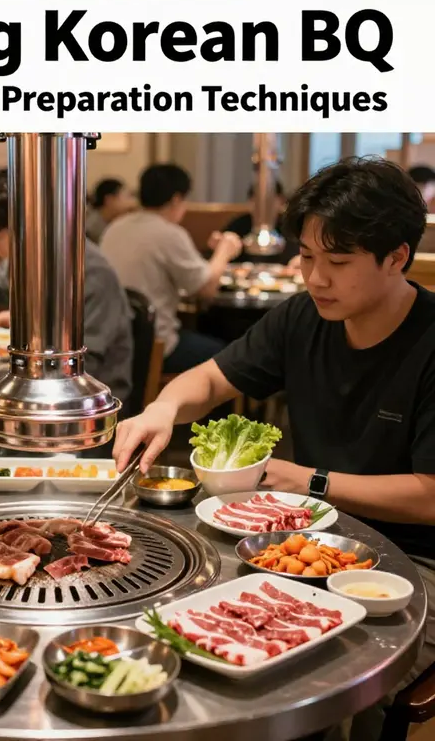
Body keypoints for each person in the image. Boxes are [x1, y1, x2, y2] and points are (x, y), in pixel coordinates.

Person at [113, 157, 435, 741]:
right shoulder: (302, 317)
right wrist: (160, 408)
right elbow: (209, 380)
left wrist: (308, 482)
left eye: (336, 262)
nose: (315, 278)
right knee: (200, 641)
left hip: (418, 568)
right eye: (307, 257)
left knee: (320, 686)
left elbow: (432, 498)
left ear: (397, 258)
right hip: (308, 545)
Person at [0, 168, 133, 410]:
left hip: (88, 405)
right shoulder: (29, 257)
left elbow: (85, 364)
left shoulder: (91, 273)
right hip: (36, 391)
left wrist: (32, 333)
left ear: (30, 226)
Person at [100, 163, 243, 374]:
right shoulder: (168, 233)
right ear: (177, 199)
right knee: (226, 357)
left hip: (112, 343)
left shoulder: (115, 228)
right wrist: (225, 251)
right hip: (153, 346)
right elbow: (206, 289)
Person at [212, 179, 301, 266]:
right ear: (250, 201)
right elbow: (219, 250)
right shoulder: (239, 224)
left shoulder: (290, 225)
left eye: (269, 200)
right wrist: (218, 244)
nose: (263, 206)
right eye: (256, 199)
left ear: (281, 201)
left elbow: (297, 255)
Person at [85, 178, 136, 244]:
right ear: (109, 200)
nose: (132, 202)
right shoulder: (92, 229)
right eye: (127, 196)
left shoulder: (112, 221)